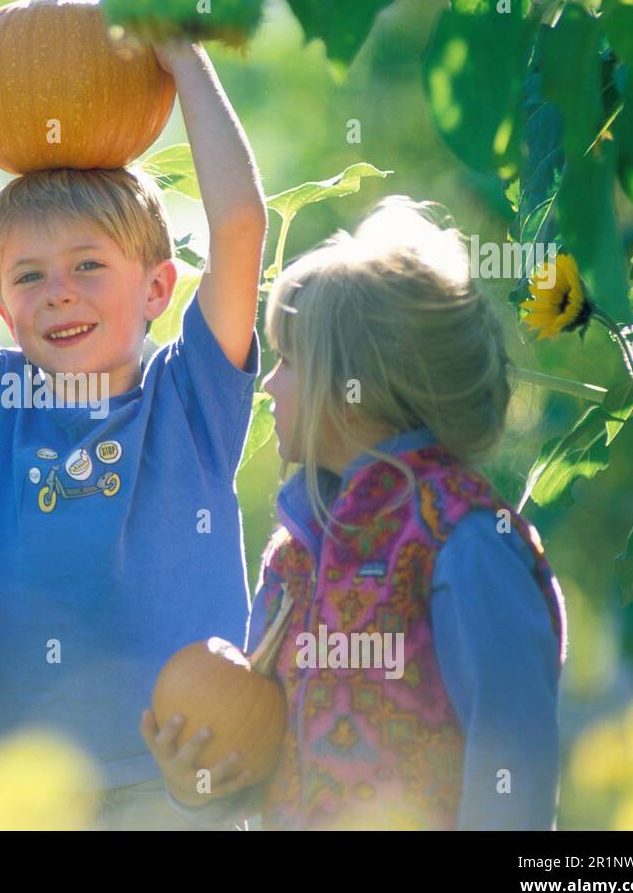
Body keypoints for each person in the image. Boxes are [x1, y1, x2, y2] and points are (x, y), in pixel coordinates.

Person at [0, 10, 268, 829]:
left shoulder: (192, 400)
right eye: (30, 276)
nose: (59, 291)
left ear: (157, 290)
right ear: (2, 306)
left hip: (179, 788)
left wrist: (180, 63)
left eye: (88, 266)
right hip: (13, 796)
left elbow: (240, 224)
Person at [145, 197, 567, 830]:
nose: (268, 383)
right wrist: (198, 789)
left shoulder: (463, 535)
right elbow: (262, 752)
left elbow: (513, 758)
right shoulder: (293, 556)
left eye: (288, 360)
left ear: (354, 387)